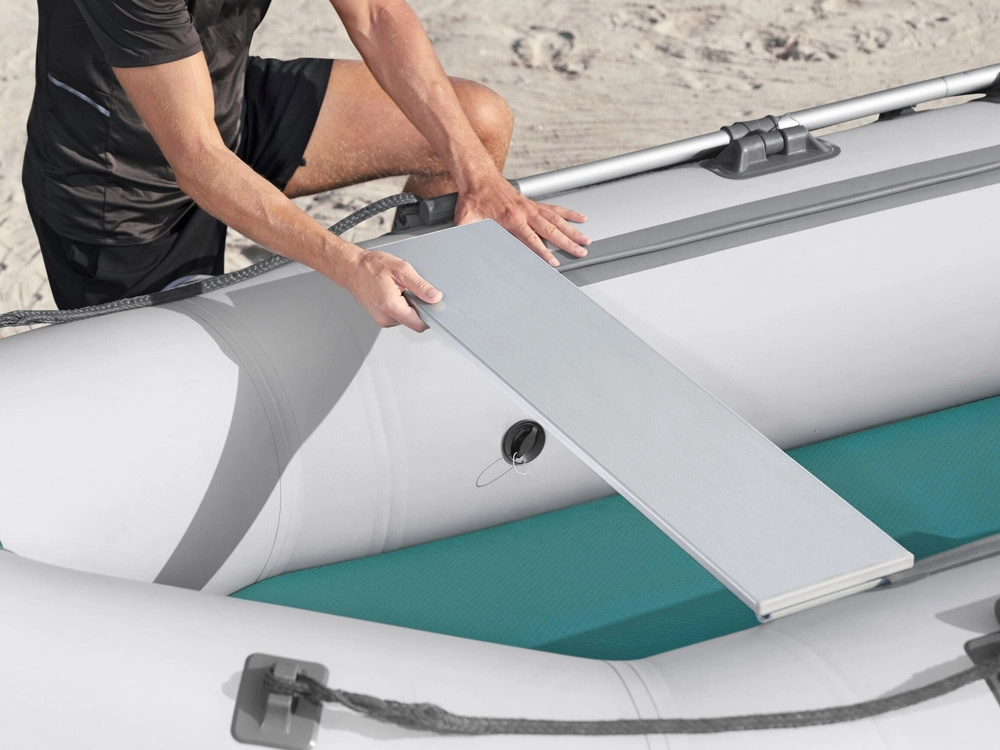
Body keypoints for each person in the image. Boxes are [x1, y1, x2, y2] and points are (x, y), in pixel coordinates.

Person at [23, 0, 590, 332]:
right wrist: (349, 263)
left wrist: (480, 179)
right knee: (168, 402)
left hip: (228, 105)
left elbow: (376, 15)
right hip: (116, 186)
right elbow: (195, 158)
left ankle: (422, 315)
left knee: (478, 122)